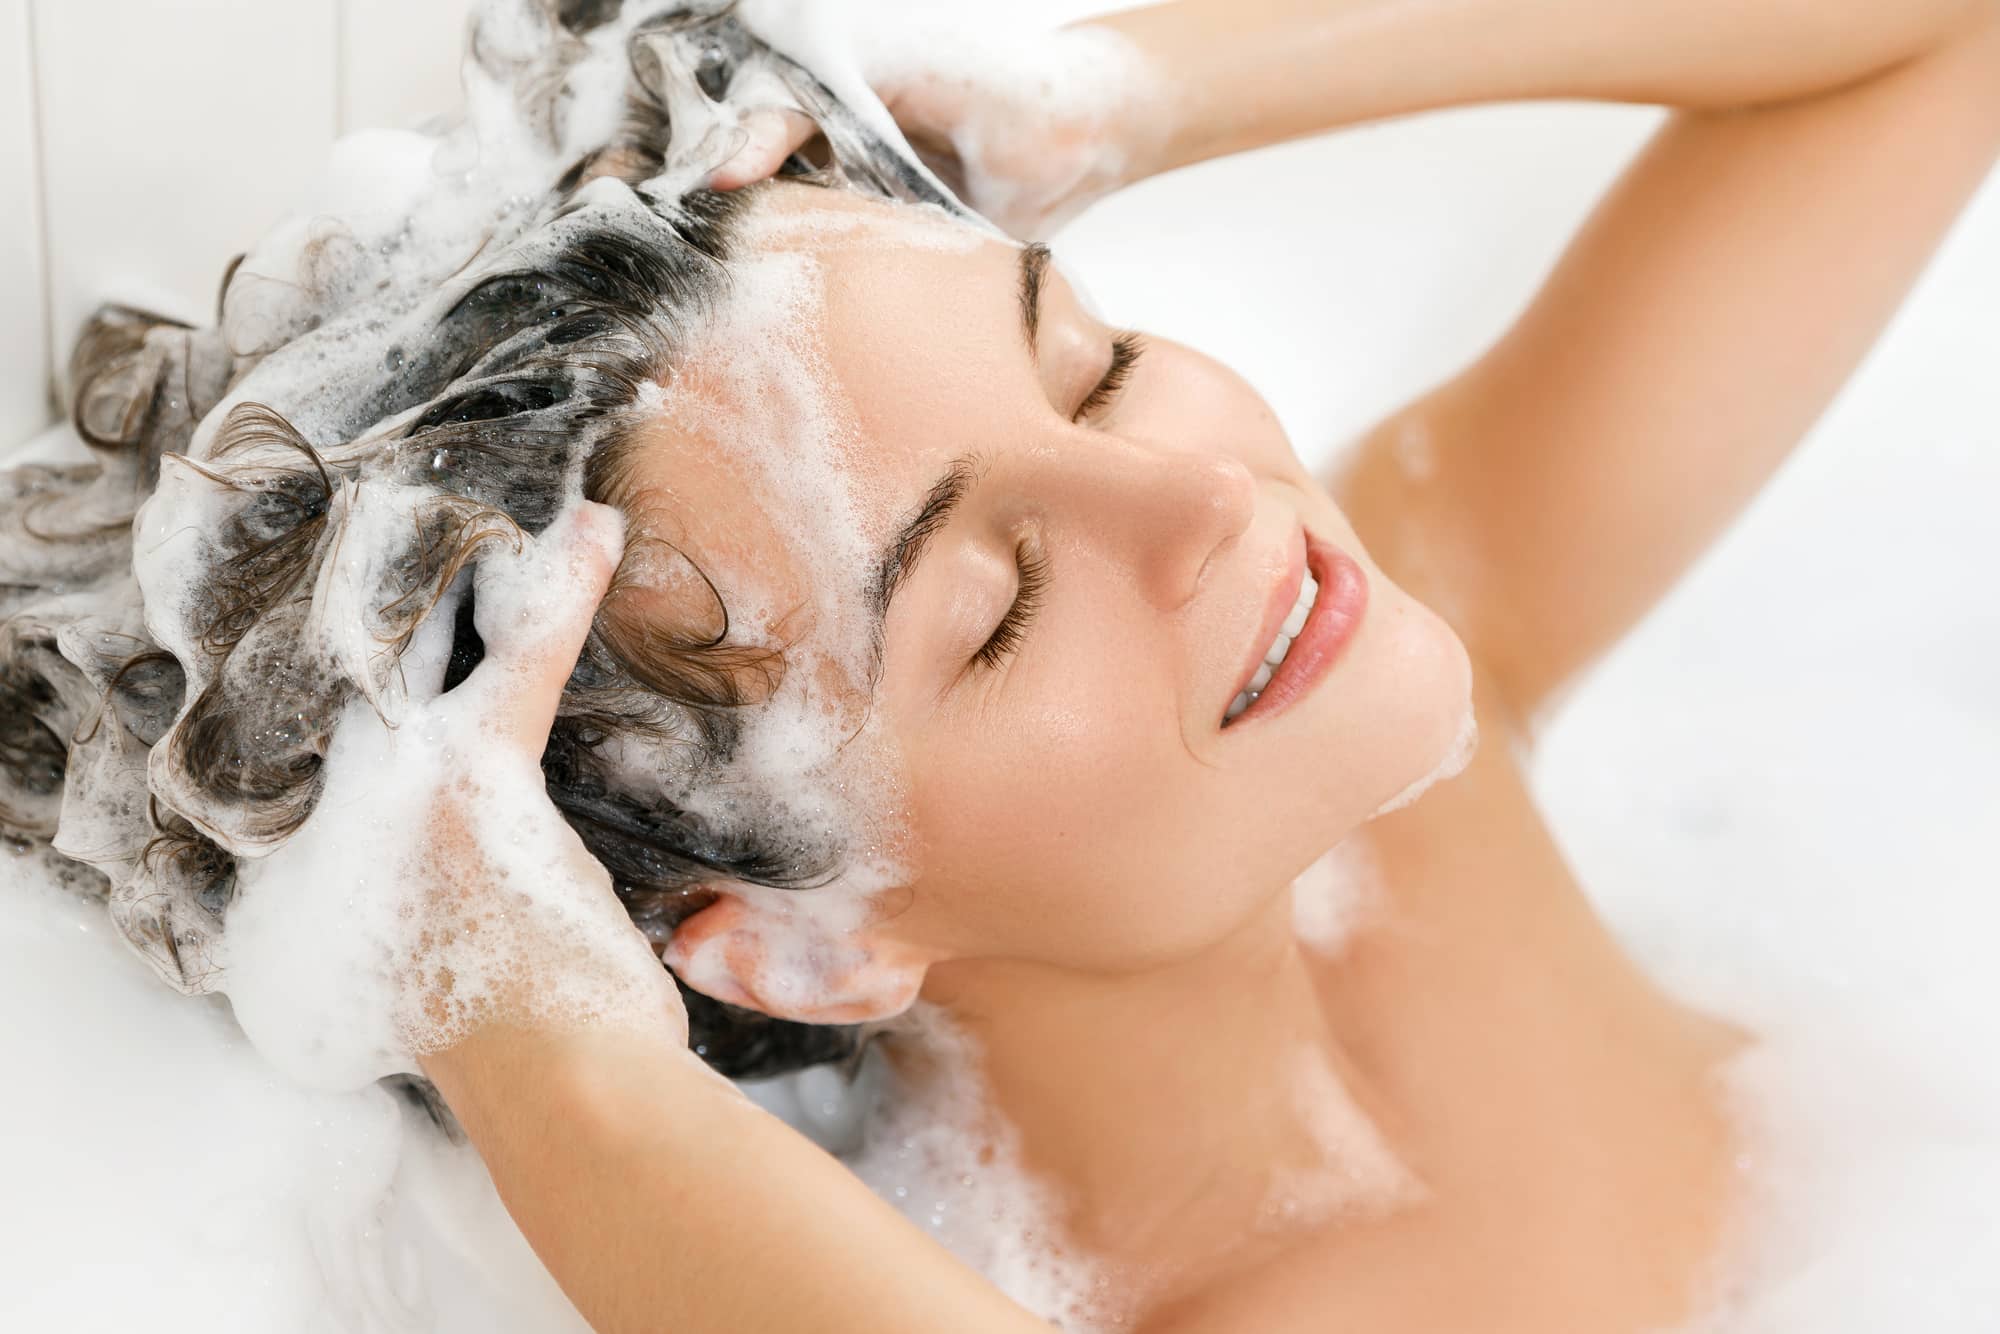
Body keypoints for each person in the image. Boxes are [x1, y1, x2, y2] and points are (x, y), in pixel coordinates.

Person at [9, 0, 1998, 1330]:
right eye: (995, 604)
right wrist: (527, 1046)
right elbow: (614, 1131)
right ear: (797, 940)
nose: (1200, 505)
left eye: (1096, 360)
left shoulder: (1401, 695)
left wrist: (1123, 74)